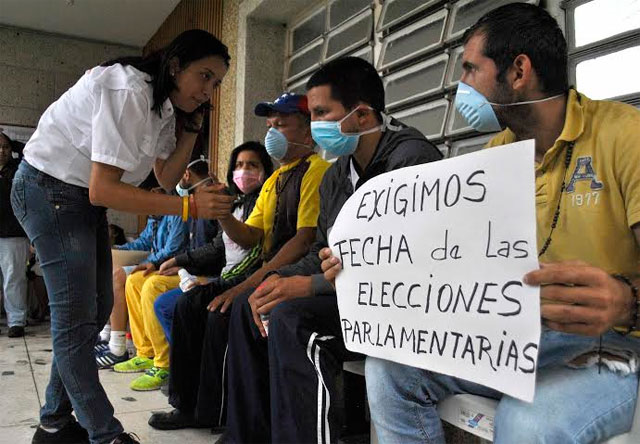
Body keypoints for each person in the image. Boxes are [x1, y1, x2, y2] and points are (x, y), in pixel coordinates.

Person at [320, 4, 640, 443]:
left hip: (613, 346)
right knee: (390, 370)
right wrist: (359, 269)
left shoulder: (626, 136)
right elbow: (444, 263)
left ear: (518, 71)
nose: (460, 87)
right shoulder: (492, 159)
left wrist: (626, 301)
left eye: (470, 69)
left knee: (527, 424)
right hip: (511, 341)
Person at [11, 29, 234, 444]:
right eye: (204, 76)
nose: (209, 90)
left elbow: (166, 180)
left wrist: (191, 131)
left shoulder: (166, 110)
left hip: (78, 199)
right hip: (47, 189)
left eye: (216, 83)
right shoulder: (130, 88)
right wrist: (191, 207)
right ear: (175, 66)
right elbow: (106, 189)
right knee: (76, 319)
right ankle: (105, 434)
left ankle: (54, 424)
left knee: (94, 313)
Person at [223, 57, 443, 444]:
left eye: (323, 112)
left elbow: (406, 264)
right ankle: (248, 436)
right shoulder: (338, 175)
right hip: (346, 295)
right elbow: (323, 251)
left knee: (294, 319)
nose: (316, 124)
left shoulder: (411, 160)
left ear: (360, 115)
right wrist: (278, 278)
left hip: (396, 308)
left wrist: (309, 287)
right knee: (252, 302)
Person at [148, 92, 331, 432]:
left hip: (291, 272)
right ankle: (188, 406)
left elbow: (303, 240)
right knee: (190, 305)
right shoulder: (275, 180)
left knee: (224, 312)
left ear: (308, 133)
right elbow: (249, 236)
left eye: (282, 125)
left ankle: (229, 419)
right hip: (263, 270)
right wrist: (222, 213)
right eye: (269, 125)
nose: (272, 132)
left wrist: (248, 285)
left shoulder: (316, 172)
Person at [116, 142, 271, 392]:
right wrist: (174, 262)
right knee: (142, 283)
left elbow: (243, 251)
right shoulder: (228, 204)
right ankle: (159, 357)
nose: (244, 171)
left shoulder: (242, 204)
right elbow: (213, 247)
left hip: (224, 277)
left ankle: (170, 365)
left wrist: (191, 269)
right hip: (211, 274)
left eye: (252, 165)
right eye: (239, 165)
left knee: (159, 292)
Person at [95, 185, 189, 369]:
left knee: (121, 277)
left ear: (161, 193)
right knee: (113, 267)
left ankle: (119, 346)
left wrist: (148, 262)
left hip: (173, 268)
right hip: (156, 264)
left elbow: (172, 249)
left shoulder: (176, 210)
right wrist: (116, 251)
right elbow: (144, 241)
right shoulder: (155, 217)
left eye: (151, 195)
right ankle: (116, 339)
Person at [0, 132, 29, 338]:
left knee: (14, 278)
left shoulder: (18, 170)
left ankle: (16, 320)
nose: (2, 151)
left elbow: (31, 153)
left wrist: (14, 143)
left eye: (6, 147)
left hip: (13, 232)